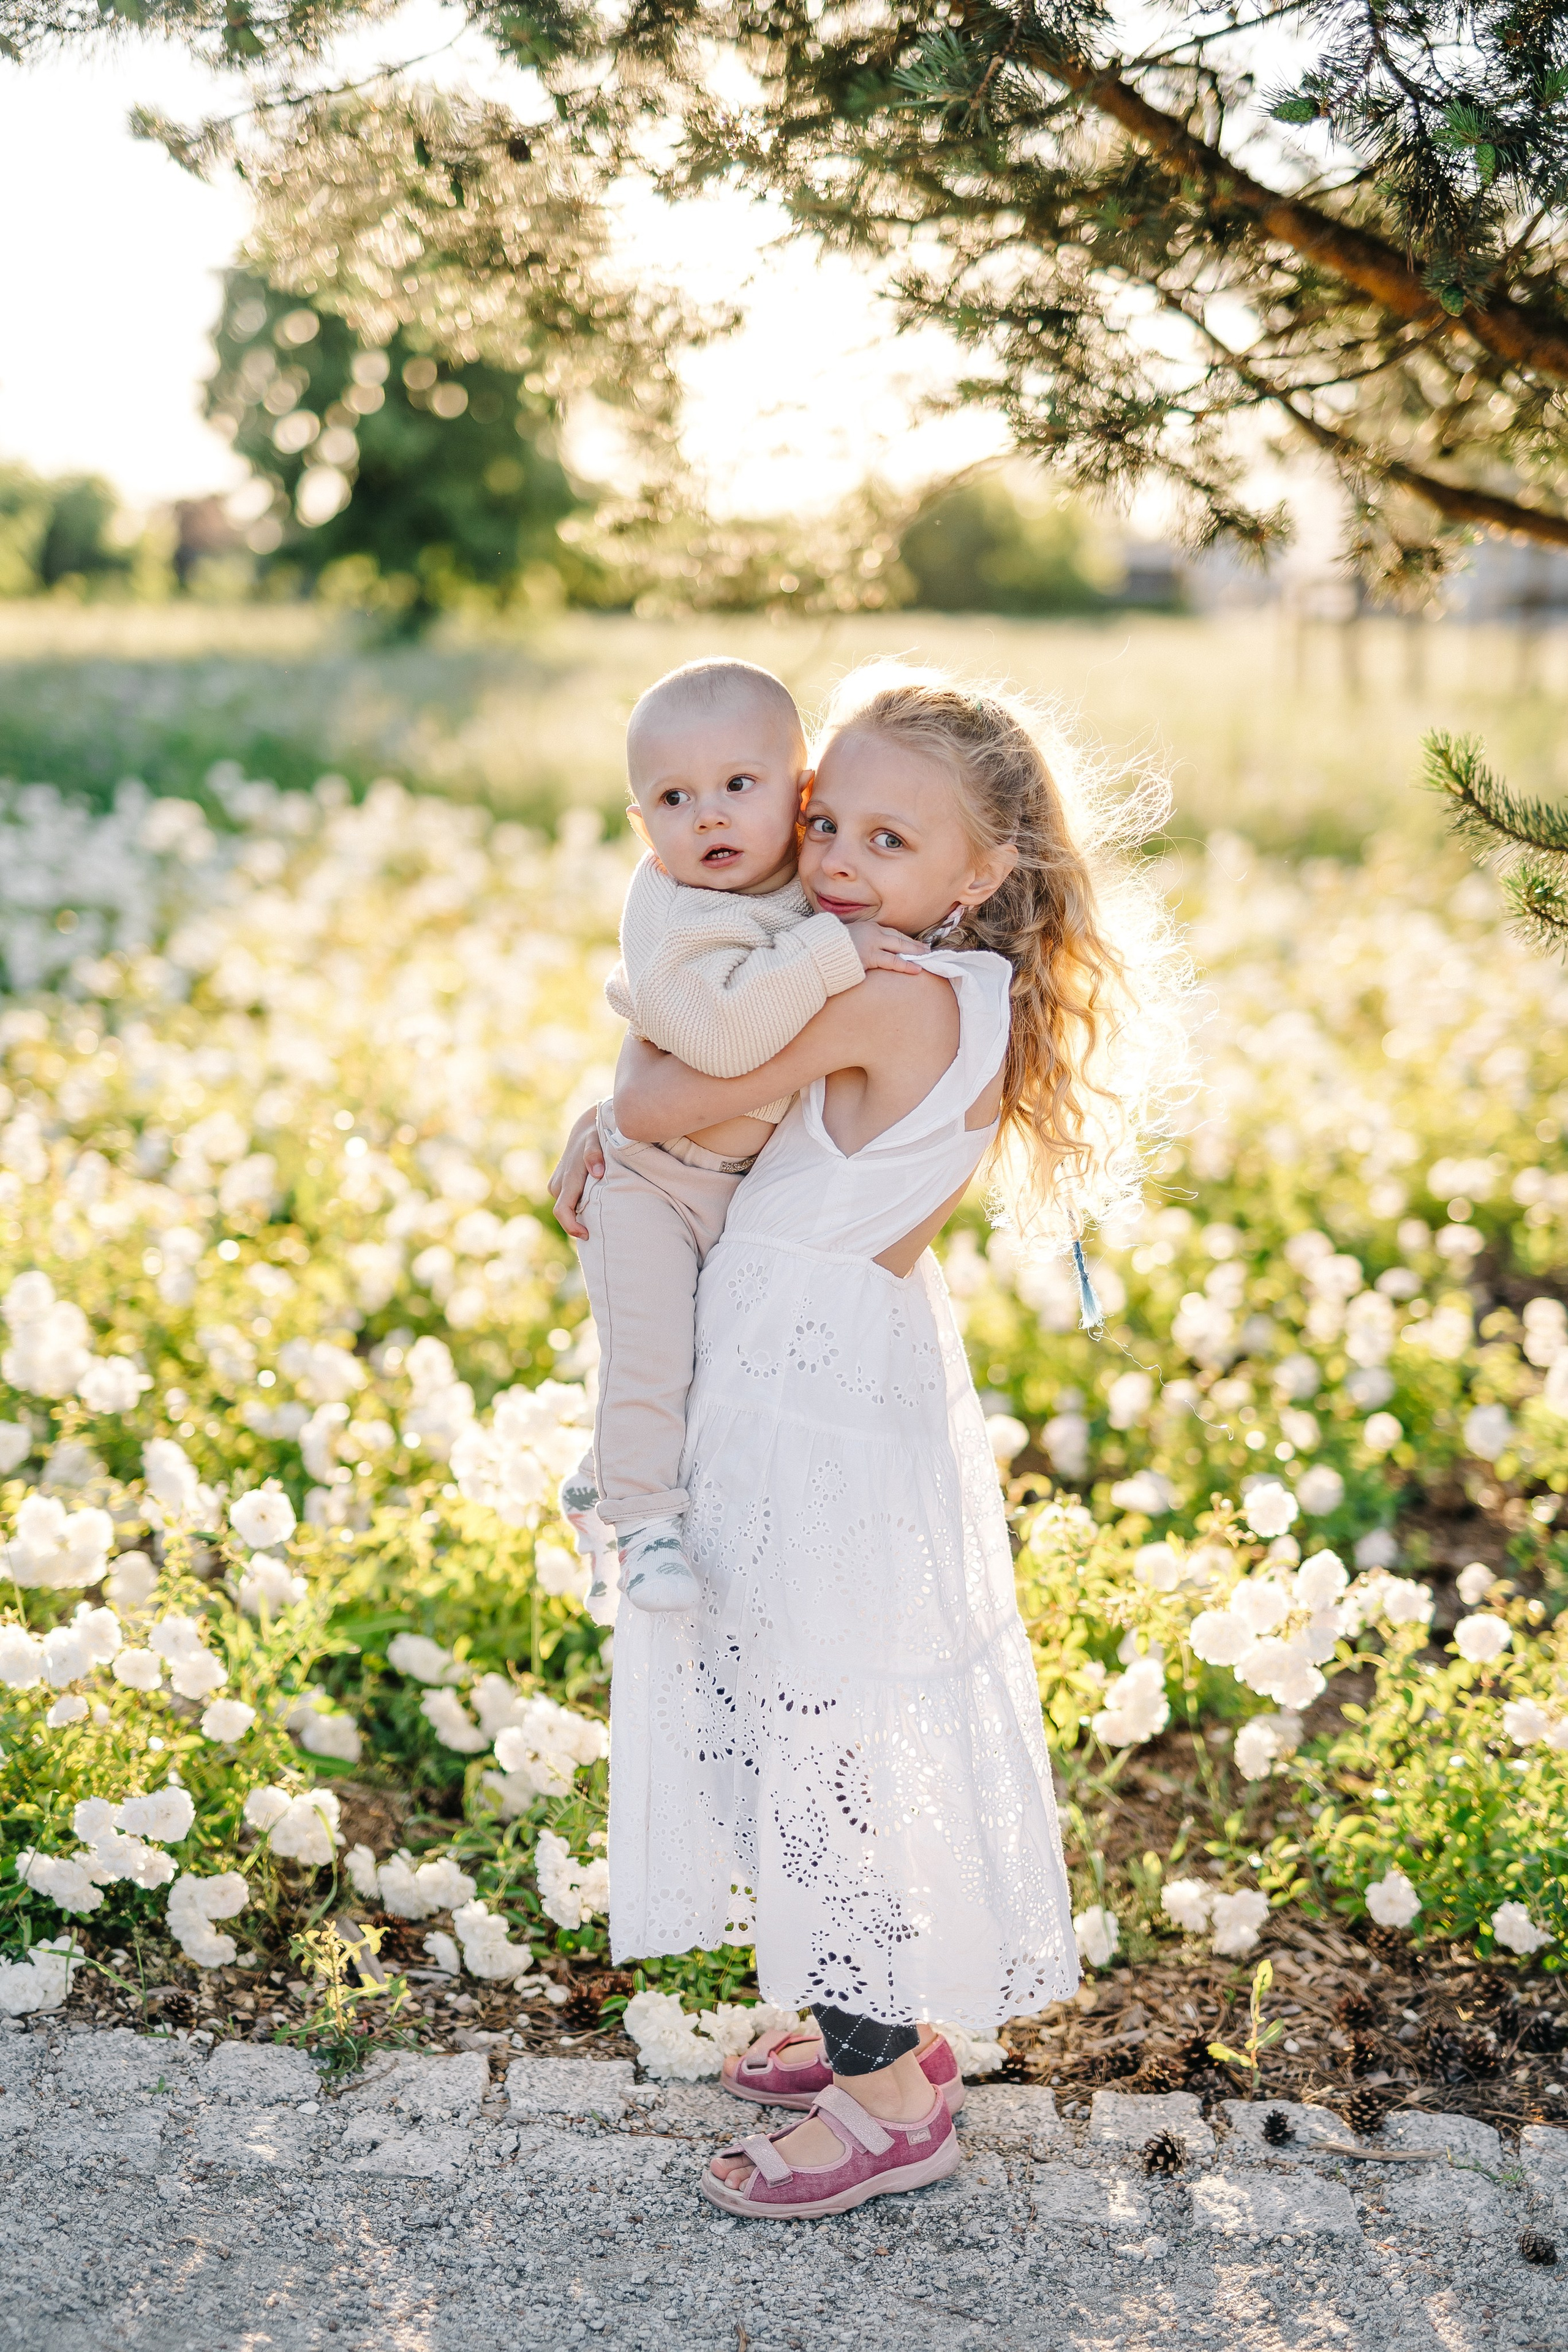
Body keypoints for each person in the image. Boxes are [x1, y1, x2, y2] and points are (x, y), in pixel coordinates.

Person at [552, 662, 1169, 2219]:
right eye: (828, 822)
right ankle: (870, 2012)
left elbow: (677, 1099)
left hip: (785, 1385)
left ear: (986, 869)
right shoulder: (966, 989)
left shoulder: (876, 990)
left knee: (800, 1725)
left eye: (890, 844)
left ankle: (884, 2098)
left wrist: (605, 1128)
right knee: (822, 1707)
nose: (834, 864)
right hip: (851, 1370)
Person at [554, 657, 925, 1616]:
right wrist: (829, 955)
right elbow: (721, 1039)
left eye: (739, 787)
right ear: (643, 827)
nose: (709, 816)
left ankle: (605, 1469)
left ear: (802, 797)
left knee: (708, 1361)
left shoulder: (814, 886)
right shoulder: (671, 910)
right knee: (649, 1355)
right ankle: (640, 1528)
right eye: (675, 798)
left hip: (740, 1187)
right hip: (649, 1182)